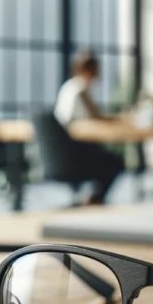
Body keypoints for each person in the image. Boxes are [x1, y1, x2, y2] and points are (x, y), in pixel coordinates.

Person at [52, 51, 123, 204]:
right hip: (75, 152)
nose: (99, 72)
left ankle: (92, 198)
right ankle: (95, 198)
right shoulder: (80, 89)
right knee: (115, 161)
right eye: (97, 68)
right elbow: (95, 117)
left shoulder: (69, 87)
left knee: (108, 159)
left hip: (61, 151)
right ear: (89, 69)